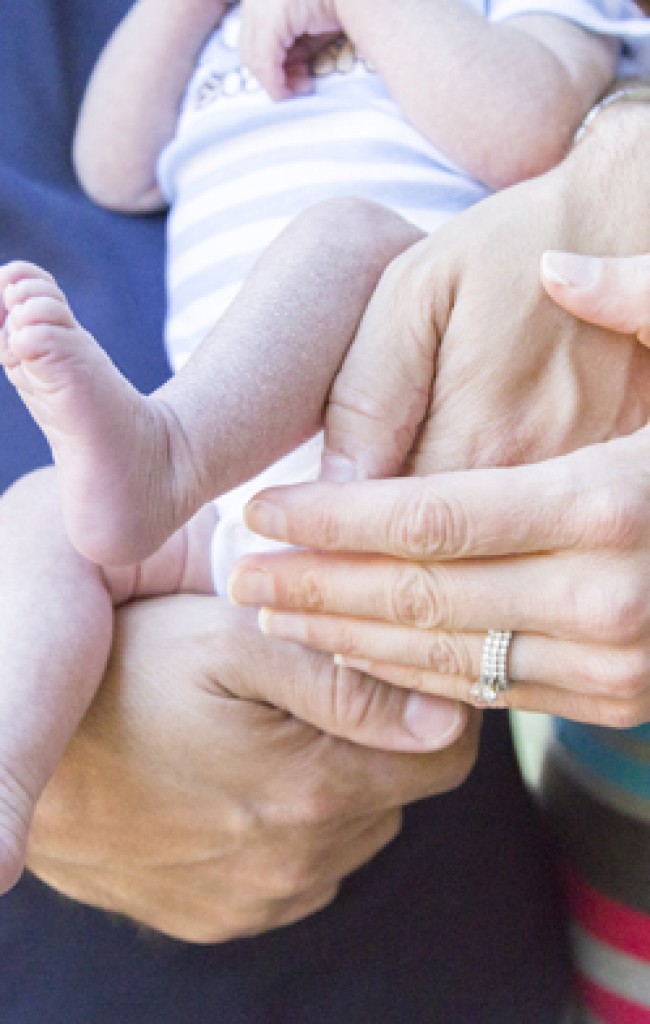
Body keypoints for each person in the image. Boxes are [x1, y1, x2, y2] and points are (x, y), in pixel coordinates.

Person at [3, 3, 650, 1021]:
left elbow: (531, 130)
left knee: (346, 237)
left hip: (414, 408)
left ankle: (165, 447)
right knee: (42, 524)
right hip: (247, 499)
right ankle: (12, 780)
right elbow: (113, 166)